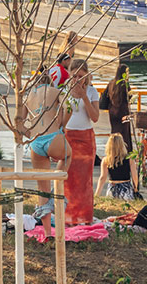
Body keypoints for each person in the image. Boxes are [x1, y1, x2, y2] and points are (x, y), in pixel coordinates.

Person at [23, 67, 71, 222]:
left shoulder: (28, 96)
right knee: (67, 155)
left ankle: (47, 232)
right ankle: (57, 186)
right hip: (53, 136)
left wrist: (29, 134)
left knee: (41, 190)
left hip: (36, 142)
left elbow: (18, 122)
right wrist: (62, 125)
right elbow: (68, 107)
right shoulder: (55, 91)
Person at [63, 59, 100, 224]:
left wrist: (84, 95)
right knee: (67, 178)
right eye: (75, 75)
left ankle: (84, 217)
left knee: (84, 180)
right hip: (68, 136)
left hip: (85, 137)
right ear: (70, 75)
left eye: (81, 76)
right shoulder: (63, 90)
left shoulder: (92, 92)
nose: (77, 79)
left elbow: (95, 117)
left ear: (86, 76)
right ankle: (67, 216)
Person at [97, 130, 139, 201]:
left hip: (112, 187)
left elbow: (102, 178)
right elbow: (134, 176)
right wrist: (135, 188)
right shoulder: (129, 159)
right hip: (126, 188)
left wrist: (97, 194)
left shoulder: (106, 160)